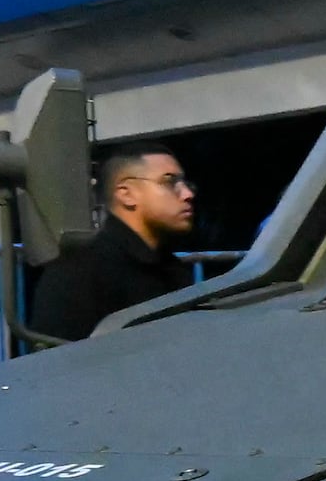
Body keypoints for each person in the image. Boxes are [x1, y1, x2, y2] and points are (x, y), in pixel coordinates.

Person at [20, 143, 198, 341]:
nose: (187, 194)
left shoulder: (172, 269)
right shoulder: (77, 273)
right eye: (169, 182)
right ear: (126, 194)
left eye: (185, 184)